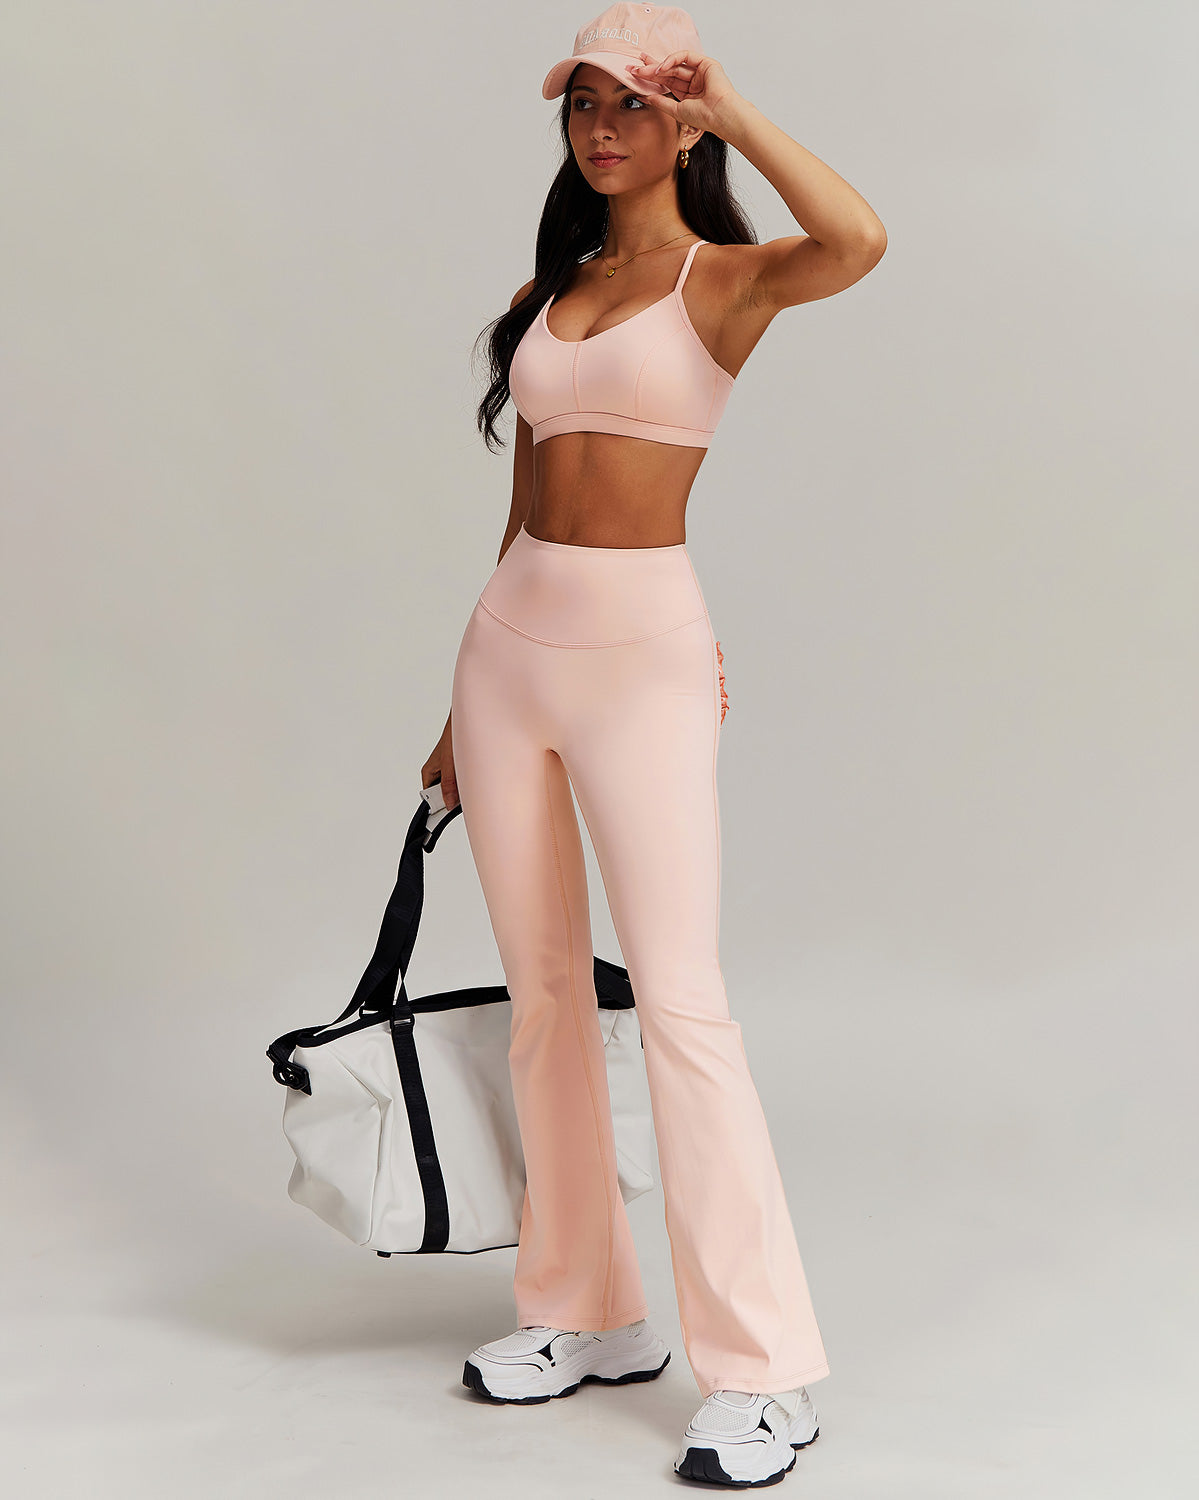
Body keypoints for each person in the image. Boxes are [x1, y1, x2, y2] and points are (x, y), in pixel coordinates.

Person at [421, 3, 886, 1486]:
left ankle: (763, 1368)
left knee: (680, 1002)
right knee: (546, 996)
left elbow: (861, 239)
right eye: (584, 104)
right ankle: (581, 1308)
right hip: (507, 657)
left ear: (680, 125)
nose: (602, 127)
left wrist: (733, 105)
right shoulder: (550, 290)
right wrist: (455, 709)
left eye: (633, 102)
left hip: (643, 662)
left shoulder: (726, 280)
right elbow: (530, 494)